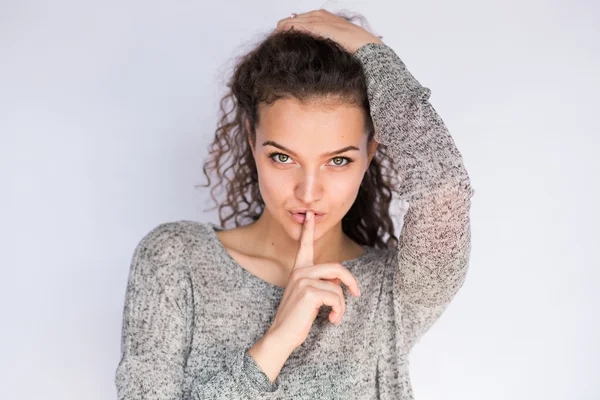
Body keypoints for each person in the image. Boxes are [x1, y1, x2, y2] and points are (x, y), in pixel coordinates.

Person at [115, 9, 475, 400]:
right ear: (252, 139)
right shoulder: (176, 259)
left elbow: (445, 192)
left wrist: (373, 53)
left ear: (371, 152)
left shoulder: (393, 292)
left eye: (338, 160)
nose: (308, 192)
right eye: (283, 157)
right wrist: (276, 342)